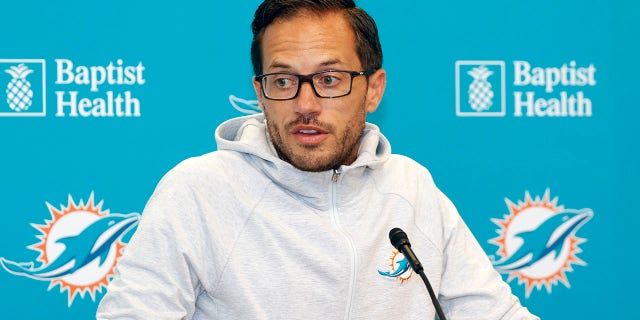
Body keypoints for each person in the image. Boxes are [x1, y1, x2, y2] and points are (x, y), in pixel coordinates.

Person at [97, 0, 539, 319]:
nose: (305, 103)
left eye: (329, 79)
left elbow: (493, 313)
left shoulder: (410, 186)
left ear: (374, 89)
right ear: (260, 91)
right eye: (284, 80)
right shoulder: (199, 190)